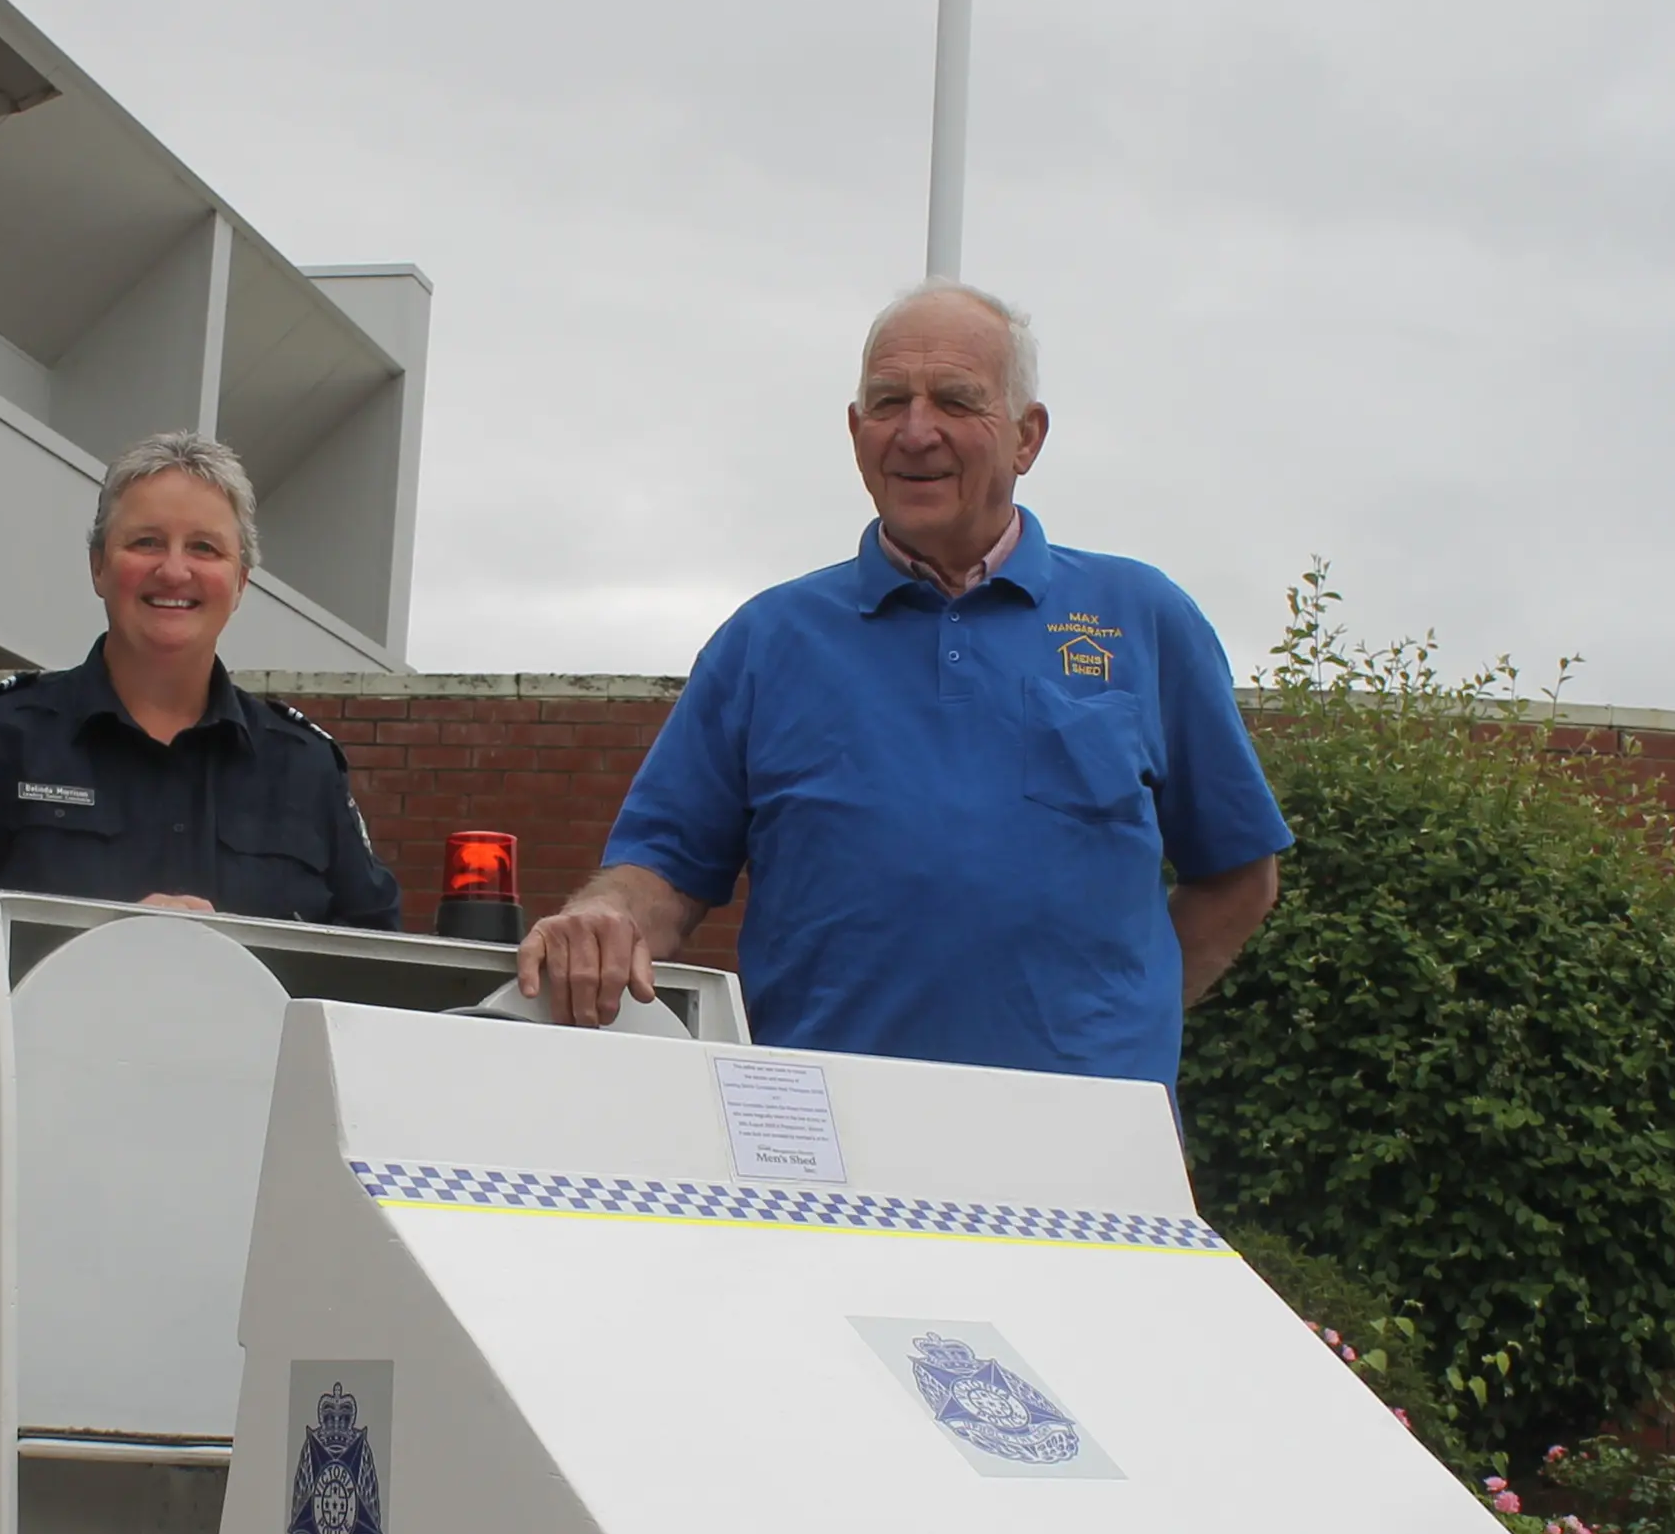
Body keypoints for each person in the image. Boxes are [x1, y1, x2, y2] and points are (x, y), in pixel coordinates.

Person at [520, 280, 1286, 1078]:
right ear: (856, 431)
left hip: (1084, 1148)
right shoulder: (766, 641)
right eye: (889, 403)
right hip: (826, 1140)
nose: (916, 433)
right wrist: (603, 915)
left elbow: (1237, 876)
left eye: (955, 401)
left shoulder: (1144, 619)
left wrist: (1129, 1030)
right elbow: (664, 870)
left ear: (1027, 438)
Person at [0, 430, 401, 928]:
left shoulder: (306, 769)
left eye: (204, 548)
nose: (175, 570)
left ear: (241, 582)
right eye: (147, 542)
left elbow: (376, 960)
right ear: (98, 566)